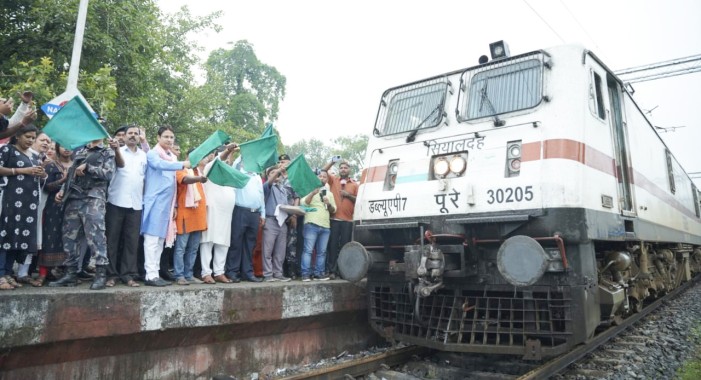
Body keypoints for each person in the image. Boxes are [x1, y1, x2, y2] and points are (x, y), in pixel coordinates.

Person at [48, 138, 116, 290]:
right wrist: (61, 191)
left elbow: (109, 174)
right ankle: (70, 273)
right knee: (69, 237)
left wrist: (89, 167)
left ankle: (100, 274)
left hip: (94, 198)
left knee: (96, 236)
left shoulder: (107, 152)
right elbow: (71, 174)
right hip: (73, 198)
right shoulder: (81, 151)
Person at [140, 126, 190, 287]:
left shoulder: (171, 157)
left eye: (171, 137)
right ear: (158, 138)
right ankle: (150, 275)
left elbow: (173, 184)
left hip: (167, 206)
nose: (169, 140)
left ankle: (155, 273)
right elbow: (159, 165)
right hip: (154, 202)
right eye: (166, 137)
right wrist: (182, 164)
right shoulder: (154, 154)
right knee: (151, 240)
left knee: (160, 240)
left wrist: (175, 205)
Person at [0, 125, 45, 290]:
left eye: (33, 137)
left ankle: (7, 273)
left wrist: (42, 174)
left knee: (17, 239)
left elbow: (39, 178)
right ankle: (0, 275)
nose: (31, 140)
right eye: (28, 137)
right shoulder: (8, 150)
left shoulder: (33, 156)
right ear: (18, 136)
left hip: (29, 203)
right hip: (10, 200)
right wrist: (22, 170)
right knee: (6, 235)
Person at [105, 126, 146, 287]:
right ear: (125, 136)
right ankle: (111, 275)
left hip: (136, 204)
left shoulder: (144, 156)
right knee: (112, 240)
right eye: (130, 133)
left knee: (131, 241)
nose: (133, 136)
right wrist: (115, 150)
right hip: (116, 201)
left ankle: (128, 275)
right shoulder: (116, 151)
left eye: (136, 134)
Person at [34, 142, 73, 287]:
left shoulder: (77, 165)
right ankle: (43, 274)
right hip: (53, 208)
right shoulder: (51, 166)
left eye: (69, 145)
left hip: (72, 208)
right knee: (49, 239)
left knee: (69, 241)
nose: (66, 148)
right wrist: (64, 179)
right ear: (57, 148)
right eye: (63, 145)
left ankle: (67, 274)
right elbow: (48, 187)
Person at [199, 143, 239, 284]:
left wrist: (230, 154)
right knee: (208, 241)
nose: (229, 159)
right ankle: (206, 273)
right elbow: (220, 160)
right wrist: (228, 150)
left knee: (223, 243)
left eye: (231, 157)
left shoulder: (230, 175)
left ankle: (219, 272)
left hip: (226, 214)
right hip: (212, 211)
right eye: (227, 155)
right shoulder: (211, 167)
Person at [225, 158, 265, 283]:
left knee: (250, 244)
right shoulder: (238, 172)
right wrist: (244, 152)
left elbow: (261, 195)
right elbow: (235, 163)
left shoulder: (257, 176)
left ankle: (247, 272)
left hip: (255, 213)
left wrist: (263, 214)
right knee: (236, 242)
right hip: (240, 211)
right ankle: (232, 271)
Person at [173, 151, 209, 285]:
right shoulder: (181, 169)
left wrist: (200, 177)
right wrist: (199, 179)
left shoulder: (200, 172)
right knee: (181, 248)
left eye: (199, 156)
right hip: (185, 214)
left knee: (193, 248)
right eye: (193, 157)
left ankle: (189, 275)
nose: (197, 159)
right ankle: (179, 275)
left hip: (199, 215)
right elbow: (185, 180)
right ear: (187, 157)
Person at [323, 158, 358, 279]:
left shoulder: (354, 184)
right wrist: (333, 161)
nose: (343, 169)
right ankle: (332, 271)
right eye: (341, 168)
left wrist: (348, 195)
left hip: (348, 221)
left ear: (349, 170)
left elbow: (358, 200)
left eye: (345, 168)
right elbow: (324, 170)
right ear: (339, 170)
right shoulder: (334, 180)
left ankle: (343, 271)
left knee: (345, 247)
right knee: (332, 246)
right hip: (334, 219)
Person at [299, 169, 336, 282]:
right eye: (320, 176)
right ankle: (305, 274)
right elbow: (303, 203)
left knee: (322, 252)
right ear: (316, 178)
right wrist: (312, 193)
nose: (322, 178)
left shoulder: (329, 194)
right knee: (308, 250)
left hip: (325, 226)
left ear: (327, 180)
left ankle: (319, 273)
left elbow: (333, 210)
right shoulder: (309, 189)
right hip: (311, 224)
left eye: (325, 177)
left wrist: (328, 204)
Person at [262, 164, 292, 282]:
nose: (276, 175)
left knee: (280, 251)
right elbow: (270, 181)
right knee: (268, 250)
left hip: (282, 221)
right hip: (270, 220)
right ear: (268, 176)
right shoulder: (267, 186)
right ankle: (268, 275)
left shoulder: (283, 190)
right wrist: (278, 170)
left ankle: (278, 273)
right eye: (272, 173)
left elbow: (286, 205)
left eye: (278, 174)